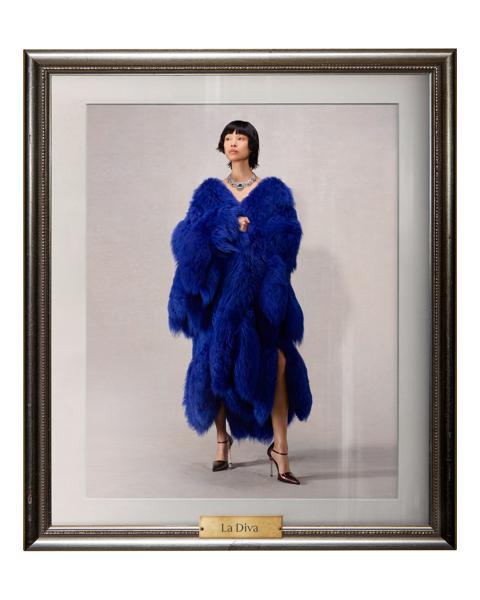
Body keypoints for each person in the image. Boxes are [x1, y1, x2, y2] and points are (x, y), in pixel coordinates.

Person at [168, 120, 312, 484]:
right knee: (213, 361)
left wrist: (254, 236)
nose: (233, 143)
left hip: (259, 295)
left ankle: (280, 449)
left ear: (252, 145)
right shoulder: (209, 193)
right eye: (228, 138)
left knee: (277, 363)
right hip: (218, 296)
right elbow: (188, 240)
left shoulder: (274, 192)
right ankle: (222, 440)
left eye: (241, 137)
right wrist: (228, 226)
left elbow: (289, 241)